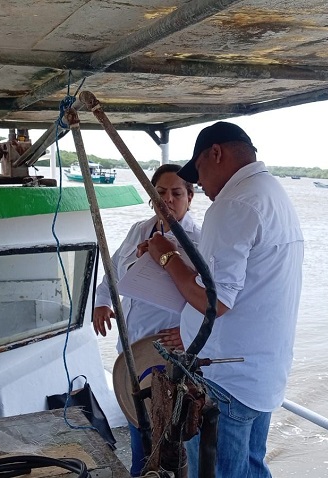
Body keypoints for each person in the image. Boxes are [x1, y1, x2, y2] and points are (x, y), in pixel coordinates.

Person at [146, 122, 304, 477]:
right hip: (261, 373)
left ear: (215, 153)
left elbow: (212, 302)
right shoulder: (272, 192)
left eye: (197, 172)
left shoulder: (234, 203)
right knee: (251, 467)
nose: (198, 184)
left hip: (225, 381)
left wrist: (166, 257)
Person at [92, 163, 201, 476]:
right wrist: (101, 301)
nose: (167, 199)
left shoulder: (200, 241)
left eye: (176, 193)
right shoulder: (141, 229)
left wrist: (188, 333)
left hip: (168, 354)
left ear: (190, 197)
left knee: (173, 435)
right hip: (132, 347)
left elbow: (211, 300)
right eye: (160, 193)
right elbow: (113, 268)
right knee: (139, 427)